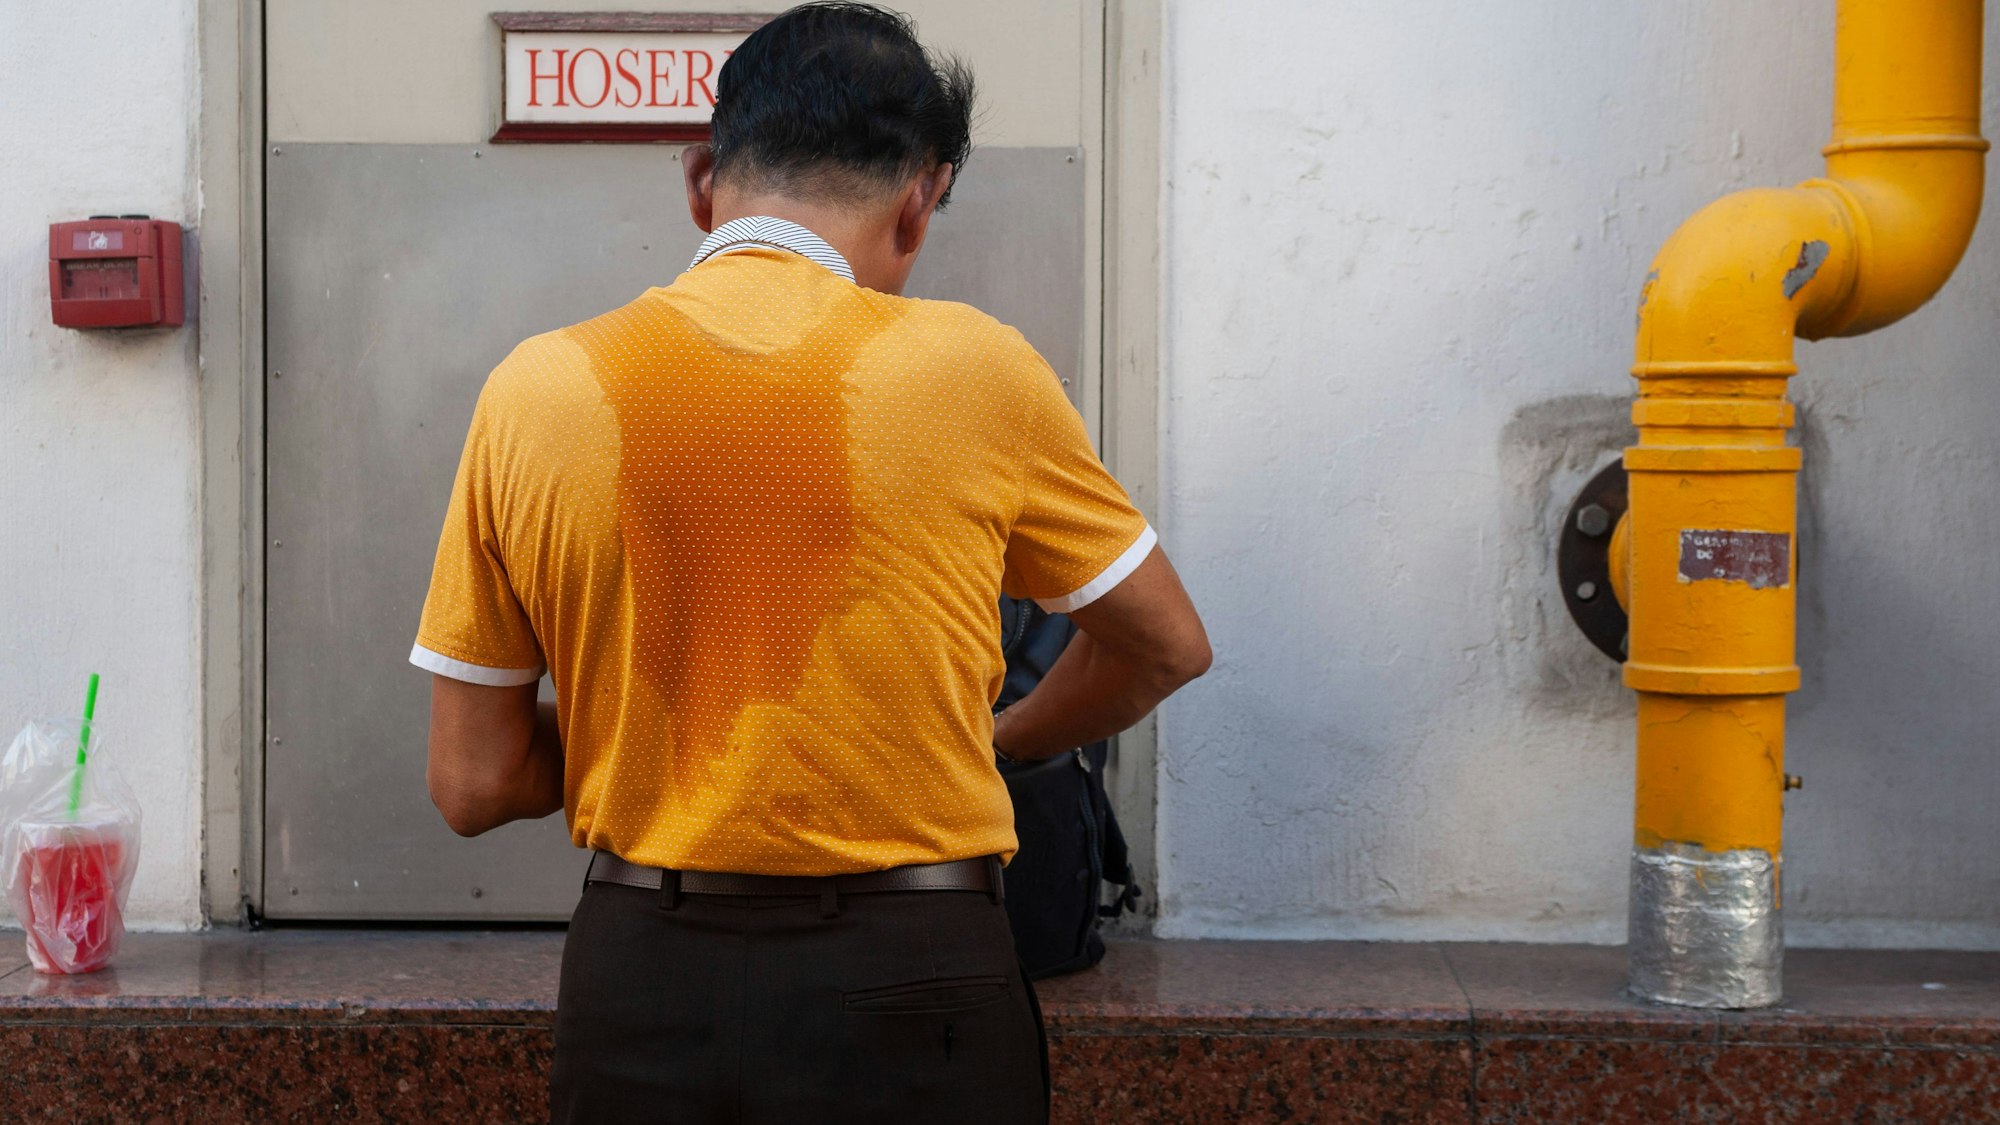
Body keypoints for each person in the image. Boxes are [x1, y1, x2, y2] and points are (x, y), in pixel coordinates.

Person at [410, 4, 1209, 1121]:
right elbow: (1164, 645)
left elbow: (474, 781)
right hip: (917, 974)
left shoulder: (534, 389)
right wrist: (994, 733)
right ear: (919, 202)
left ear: (700, 182)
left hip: (645, 981)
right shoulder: (979, 371)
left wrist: (661, 717)